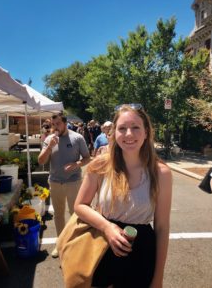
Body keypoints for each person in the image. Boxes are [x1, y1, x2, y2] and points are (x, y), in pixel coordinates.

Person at [74, 104, 172, 287]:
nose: (129, 134)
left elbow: (162, 228)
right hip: (101, 248)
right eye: (122, 128)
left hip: (142, 254)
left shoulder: (161, 173)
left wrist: (158, 279)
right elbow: (80, 205)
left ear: (146, 132)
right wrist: (107, 227)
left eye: (136, 127)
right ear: (114, 133)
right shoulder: (100, 165)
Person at [38, 112, 91, 258]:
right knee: (58, 215)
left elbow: (87, 158)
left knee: (75, 214)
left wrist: (76, 164)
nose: (55, 127)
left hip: (73, 182)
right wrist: (49, 147)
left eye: (58, 124)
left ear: (65, 123)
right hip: (55, 182)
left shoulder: (77, 138)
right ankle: (60, 243)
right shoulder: (49, 139)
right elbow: (41, 161)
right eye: (53, 125)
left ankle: (74, 243)